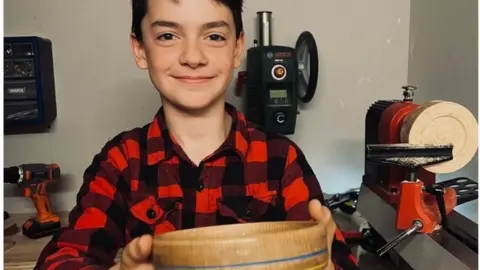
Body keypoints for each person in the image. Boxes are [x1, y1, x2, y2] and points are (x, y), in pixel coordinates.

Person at [35, 0, 359, 269]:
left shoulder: (281, 159)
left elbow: (340, 259)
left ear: (237, 49)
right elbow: (64, 257)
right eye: (167, 36)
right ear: (140, 49)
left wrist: (327, 263)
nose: (193, 57)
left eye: (214, 36)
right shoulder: (121, 161)